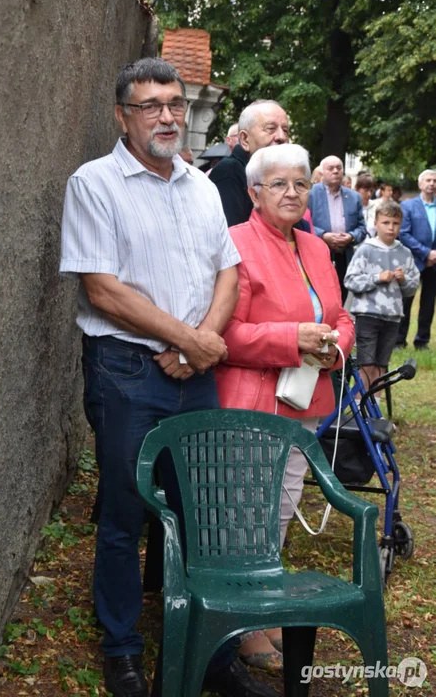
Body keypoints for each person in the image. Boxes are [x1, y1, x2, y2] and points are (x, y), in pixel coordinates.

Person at [60, 57, 277, 697]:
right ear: (123, 116)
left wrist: (199, 347)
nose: (165, 116)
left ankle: (208, 654)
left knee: (197, 514)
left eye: (174, 104)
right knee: (127, 512)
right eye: (150, 105)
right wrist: (187, 339)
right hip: (127, 371)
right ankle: (123, 649)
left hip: (193, 370)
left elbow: (228, 273)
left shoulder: (202, 184)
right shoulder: (95, 183)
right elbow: (102, 289)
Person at [215, 143, 355, 672]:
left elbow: (342, 318)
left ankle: (261, 604)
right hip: (255, 401)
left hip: (307, 399)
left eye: (300, 182)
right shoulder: (235, 243)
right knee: (245, 512)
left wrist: (334, 342)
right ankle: (244, 627)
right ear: (254, 192)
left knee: (278, 509)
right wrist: (292, 338)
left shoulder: (316, 248)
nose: (292, 191)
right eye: (279, 183)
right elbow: (225, 334)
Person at [344, 201, 419, 394]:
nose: (390, 228)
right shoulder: (366, 250)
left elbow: (412, 289)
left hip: (392, 317)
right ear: (375, 223)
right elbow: (350, 281)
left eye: (395, 223)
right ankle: (361, 408)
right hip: (368, 315)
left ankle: (374, 408)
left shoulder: (405, 253)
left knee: (381, 366)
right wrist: (377, 278)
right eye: (386, 222)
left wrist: (403, 280)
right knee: (366, 365)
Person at [209, 100, 311, 233]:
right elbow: (233, 239)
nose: (281, 137)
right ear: (245, 139)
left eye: (285, 130)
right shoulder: (228, 172)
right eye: (271, 129)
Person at [308, 155, 367, 302]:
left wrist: (351, 237)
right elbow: (302, 224)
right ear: (322, 172)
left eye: (339, 168)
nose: (335, 171)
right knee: (320, 297)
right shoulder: (310, 194)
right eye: (331, 168)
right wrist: (323, 236)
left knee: (341, 296)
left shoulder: (354, 197)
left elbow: (362, 228)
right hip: (318, 255)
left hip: (344, 256)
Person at [396, 169, 436, 350]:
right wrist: (426, 253)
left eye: (434, 181)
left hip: (434, 263)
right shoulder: (409, 206)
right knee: (406, 301)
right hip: (413, 260)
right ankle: (398, 340)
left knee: (429, 302)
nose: (432, 183)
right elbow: (403, 233)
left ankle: (422, 340)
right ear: (420, 184)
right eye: (428, 180)